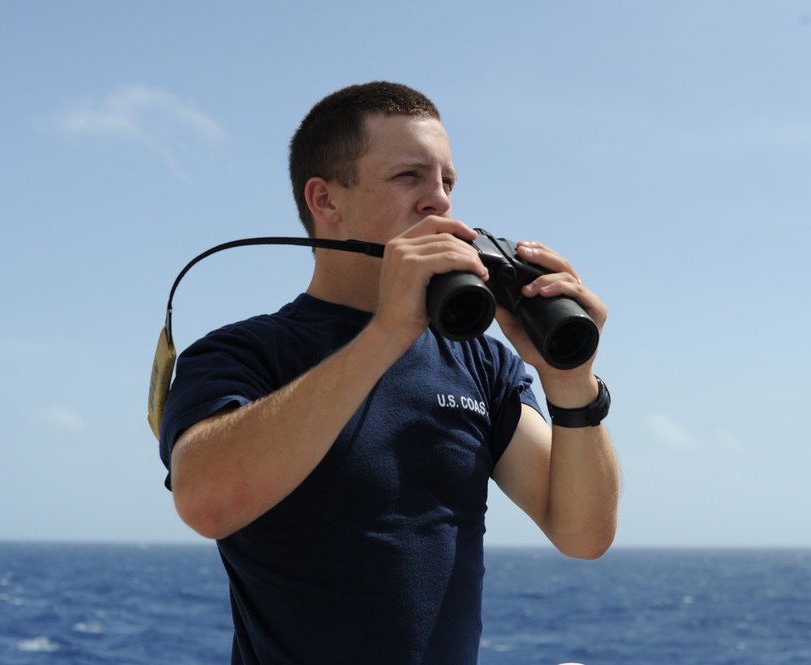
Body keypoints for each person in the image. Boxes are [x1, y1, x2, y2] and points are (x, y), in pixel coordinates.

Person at [158, 81, 620, 664]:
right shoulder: (242, 355)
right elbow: (206, 501)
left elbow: (583, 534)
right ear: (326, 201)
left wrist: (570, 381)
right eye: (409, 177)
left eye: (447, 181)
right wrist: (385, 334)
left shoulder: (479, 360)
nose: (439, 202)